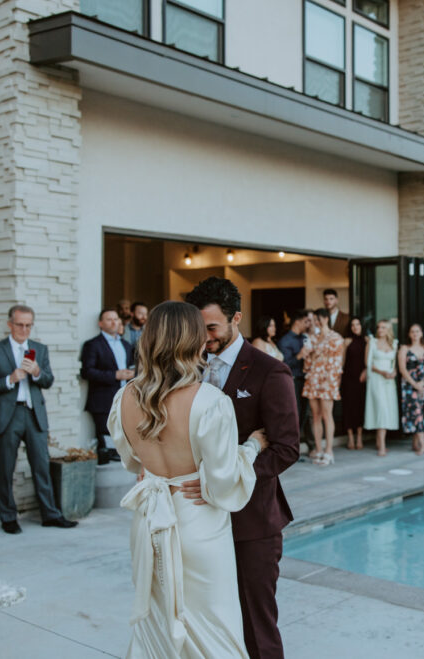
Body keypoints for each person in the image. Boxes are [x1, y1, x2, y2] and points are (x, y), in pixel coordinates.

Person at [110, 301, 267, 658]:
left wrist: (158, 468)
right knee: (217, 635)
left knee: (157, 633)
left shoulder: (124, 398)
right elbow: (225, 480)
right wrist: (254, 446)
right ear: (195, 343)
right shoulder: (210, 402)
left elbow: (132, 460)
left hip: (149, 523)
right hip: (198, 524)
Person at [182, 276, 300, 659]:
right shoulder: (189, 368)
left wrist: (225, 479)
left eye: (212, 328)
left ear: (236, 318)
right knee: (211, 622)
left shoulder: (270, 372)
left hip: (252, 524)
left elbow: (286, 448)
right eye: (199, 329)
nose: (205, 337)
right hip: (201, 521)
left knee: (256, 625)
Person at [0, 305, 76, 534]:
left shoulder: (39, 349)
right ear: (10, 324)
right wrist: (9, 379)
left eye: (29, 325)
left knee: (42, 467)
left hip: (33, 415)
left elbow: (48, 380)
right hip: (7, 417)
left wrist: (38, 372)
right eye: (20, 324)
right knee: (5, 468)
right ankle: (8, 517)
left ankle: (50, 514)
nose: (24, 329)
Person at [80, 308, 136, 465]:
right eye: (109, 319)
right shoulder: (92, 345)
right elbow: (87, 372)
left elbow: (133, 366)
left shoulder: (126, 344)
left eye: (116, 319)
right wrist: (114, 375)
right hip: (102, 400)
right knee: (107, 446)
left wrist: (133, 374)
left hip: (125, 399)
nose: (114, 322)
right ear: (100, 323)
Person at [302, 308, 345, 466]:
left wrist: (332, 381)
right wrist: (308, 354)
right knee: (315, 415)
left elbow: (337, 362)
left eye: (318, 319)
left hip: (328, 379)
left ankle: (329, 451)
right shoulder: (312, 338)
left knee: (327, 415)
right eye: (314, 320)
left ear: (325, 319)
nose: (315, 323)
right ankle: (319, 449)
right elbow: (307, 363)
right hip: (313, 377)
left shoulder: (336, 338)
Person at [277, 309, 313, 454]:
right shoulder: (285, 341)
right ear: (297, 322)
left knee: (305, 414)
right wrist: (300, 355)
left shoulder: (304, 338)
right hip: (292, 381)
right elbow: (284, 365)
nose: (308, 324)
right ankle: (292, 448)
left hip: (306, 380)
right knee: (295, 414)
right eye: (306, 322)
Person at [398, 323, 424, 455]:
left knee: (423, 412)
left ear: (421, 333)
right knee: (416, 412)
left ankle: (415, 442)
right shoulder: (404, 349)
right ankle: (422, 446)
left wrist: (423, 382)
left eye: (417, 331)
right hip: (409, 385)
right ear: (409, 334)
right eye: (412, 332)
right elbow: (402, 369)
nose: (415, 334)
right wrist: (414, 384)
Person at [364, 319, 399, 456]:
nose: (380, 330)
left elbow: (394, 364)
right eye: (378, 327)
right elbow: (367, 363)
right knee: (381, 409)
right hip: (376, 379)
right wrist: (382, 372)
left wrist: (394, 373)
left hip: (389, 382)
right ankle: (381, 446)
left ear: (388, 329)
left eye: (383, 327)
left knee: (387, 409)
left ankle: (380, 442)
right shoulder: (372, 342)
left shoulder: (394, 343)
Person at [340, 317, 367, 450]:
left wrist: (366, 370)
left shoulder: (367, 340)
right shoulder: (346, 341)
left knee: (360, 407)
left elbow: (369, 360)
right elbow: (342, 362)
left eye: (358, 324)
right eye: (353, 325)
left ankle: (359, 437)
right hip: (348, 379)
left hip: (361, 379)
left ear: (361, 326)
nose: (355, 327)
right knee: (349, 407)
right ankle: (350, 437)